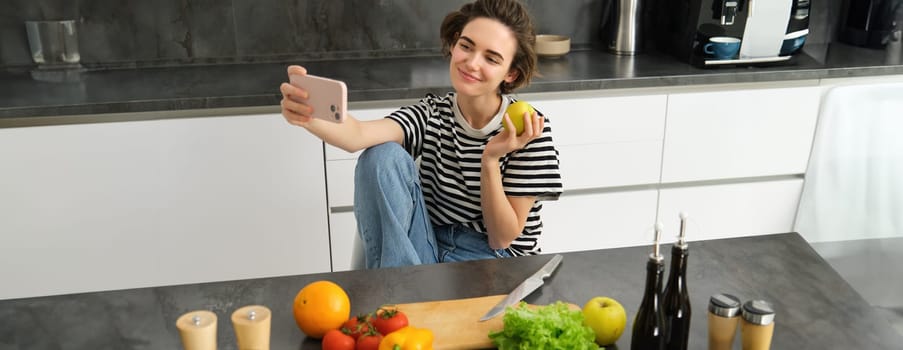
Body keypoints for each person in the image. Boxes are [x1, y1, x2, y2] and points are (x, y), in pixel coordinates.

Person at [279, 0, 561, 268]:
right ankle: (402, 290)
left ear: (510, 73)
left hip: (493, 260)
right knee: (381, 155)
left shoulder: (527, 130)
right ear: (454, 44)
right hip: (426, 247)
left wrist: (490, 160)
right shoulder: (430, 114)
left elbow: (502, 237)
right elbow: (357, 134)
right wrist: (308, 115)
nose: (472, 63)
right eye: (466, 46)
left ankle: (399, 295)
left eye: (491, 58)